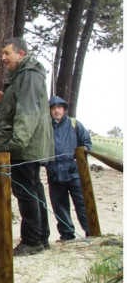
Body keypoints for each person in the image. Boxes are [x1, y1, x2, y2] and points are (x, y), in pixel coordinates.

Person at [0, 37, 54, 257]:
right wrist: (2, 103)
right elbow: (19, 106)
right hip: (28, 145)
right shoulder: (24, 75)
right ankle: (41, 237)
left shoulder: (27, 75)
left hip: (23, 147)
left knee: (26, 192)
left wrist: (15, 144)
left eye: (7, 53)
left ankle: (32, 241)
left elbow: (28, 112)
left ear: (21, 53)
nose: (3, 58)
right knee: (34, 188)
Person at [45, 96, 92, 242]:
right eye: (53, 108)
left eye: (59, 107)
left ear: (64, 109)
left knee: (82, 204)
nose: (56, 110)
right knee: (59, 206)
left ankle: (91, 232)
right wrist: (47, 164)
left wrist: (79, 159)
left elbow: (87, 144)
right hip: (54, 173)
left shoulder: (74, 124)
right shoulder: (45, 127)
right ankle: (67, 235)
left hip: (74, 173)